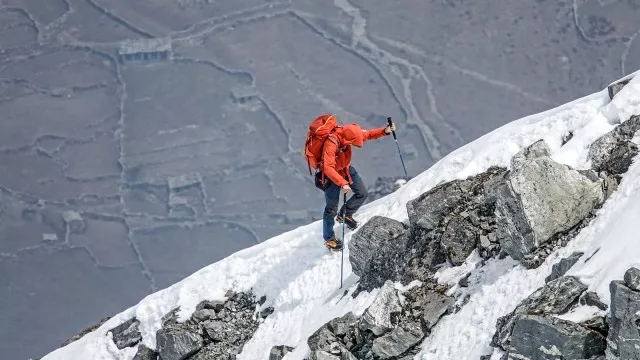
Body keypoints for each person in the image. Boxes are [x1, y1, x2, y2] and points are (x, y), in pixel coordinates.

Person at [320, 120, 397, 250]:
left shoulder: (350, 133)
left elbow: (367, 134)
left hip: (345, 169)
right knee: (330, 209)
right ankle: (329, 239)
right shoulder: (331, 144)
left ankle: (344, 214)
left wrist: (384, 131)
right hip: (331, 176)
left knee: (362, 193)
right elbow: (328, 168)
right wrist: (342, 183)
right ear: (348, 139)